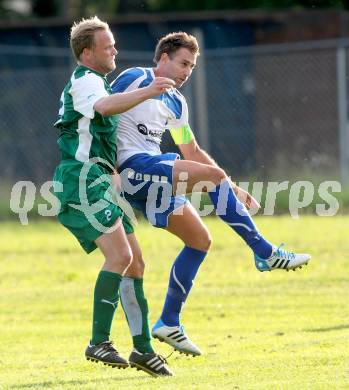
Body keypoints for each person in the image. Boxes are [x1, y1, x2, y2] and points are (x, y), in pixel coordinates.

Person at [111, 32, 311, 356]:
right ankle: (264, 252)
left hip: (152, 175)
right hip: (131, 167)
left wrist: (230, 186)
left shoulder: (176, 102)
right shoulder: (135, 78)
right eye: (183, 63)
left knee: (200, 240)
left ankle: (168, 323)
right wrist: (108, 168)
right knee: (214, 179)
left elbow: (191, 149)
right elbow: (102, 112)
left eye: (192, 66)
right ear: (163, 58)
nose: (187, 71)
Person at [53, 16, 175, 377]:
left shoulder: (98, 82)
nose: (115, 50)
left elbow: (103, 128)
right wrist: (150, 89)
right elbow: (104, 108)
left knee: (135, 263)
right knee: (120, 256)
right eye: (108, 47)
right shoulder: (85, 81)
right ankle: (98, 341)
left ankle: (143, 350)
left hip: (103, 183)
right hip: (81, 183)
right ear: (87, 52)